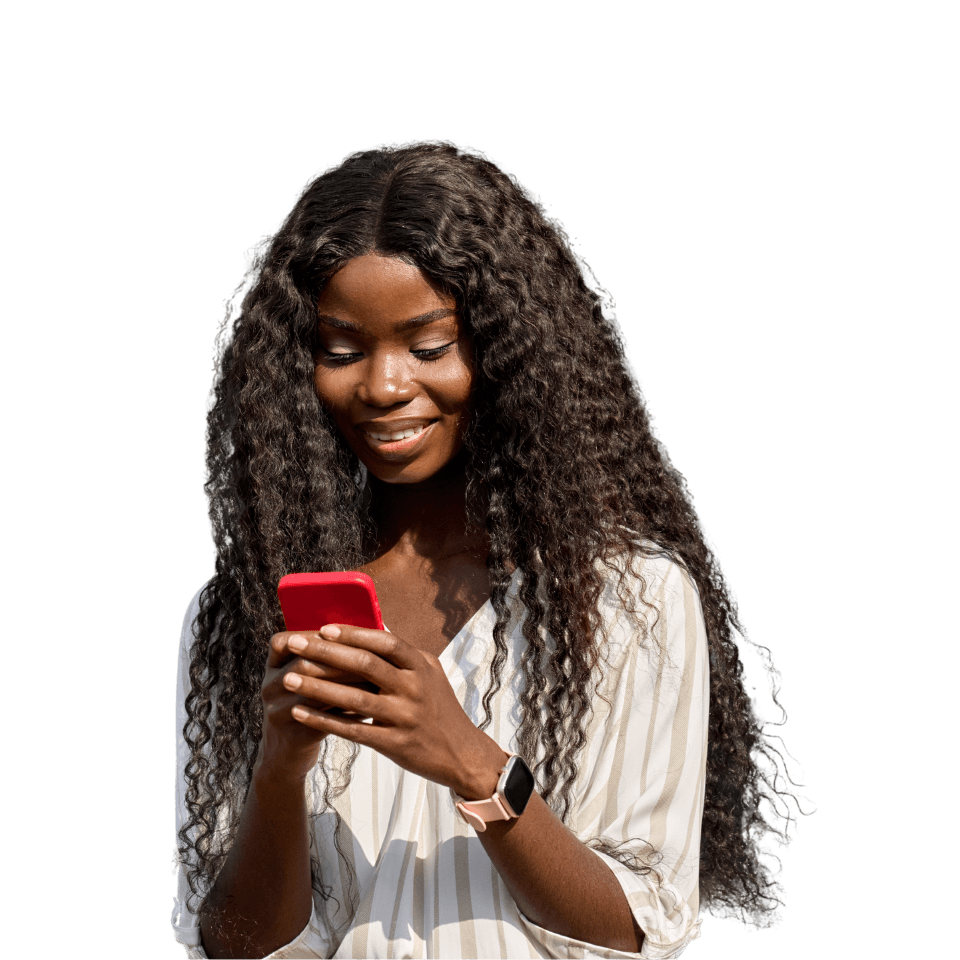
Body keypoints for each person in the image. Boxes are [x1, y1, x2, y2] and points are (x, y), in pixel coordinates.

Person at [172, 141, 812, 959]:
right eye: (341, 350)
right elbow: (230, 946)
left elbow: (633, 929)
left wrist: (474, 763)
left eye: (429, 346)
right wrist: (278, 774)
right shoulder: (239, 615)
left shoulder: (629, 597)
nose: (383, 385)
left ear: (512, 350)